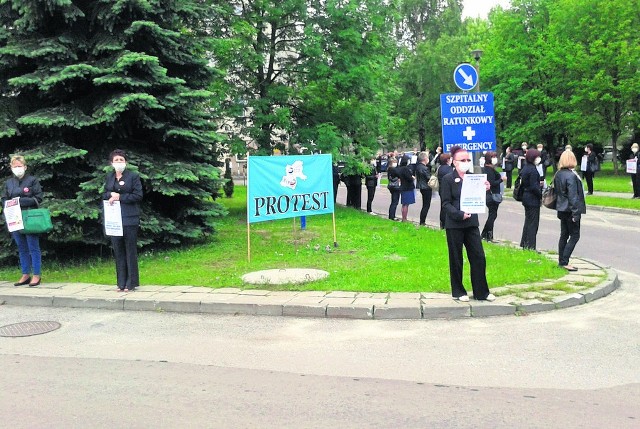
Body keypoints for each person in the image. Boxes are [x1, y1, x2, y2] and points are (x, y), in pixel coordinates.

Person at [440, 146, 495, 302]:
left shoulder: (474, 178)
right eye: (462, 160)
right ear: (454, 162)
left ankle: (481, 292)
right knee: (456, 258)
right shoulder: (448, 179)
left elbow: (481, 199)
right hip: (455, 224)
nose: (465, 163)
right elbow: (445, 204)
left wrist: (486, 189)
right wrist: (459, 214)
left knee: (478, 256)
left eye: (468, 160)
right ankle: (458, 291)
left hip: (471, 223)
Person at [103, 149, 143, 292]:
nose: (118, 163)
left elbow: (138, 196)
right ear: (111, 163)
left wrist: (120, 197)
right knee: (118, 251)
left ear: (125, 162)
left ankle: (131, 283)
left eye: (121, 160)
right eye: (116, 160)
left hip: (129, 219)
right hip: (114, 219)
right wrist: (110, 195)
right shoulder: (109, 177)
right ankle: (121, 283)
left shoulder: (133, 176)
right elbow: (104, 194)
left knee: (129, 250)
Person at [3, 155, 44, 287]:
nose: (17, 168)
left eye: (20, 166)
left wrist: (19, 201)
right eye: (15, 166)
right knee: (21, 247)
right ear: (11, 167)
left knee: (33, 247)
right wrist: (8, 203)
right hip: (14, 217)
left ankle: (36, 275)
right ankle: (25, 274)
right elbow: (4, 198)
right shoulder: (9, 182)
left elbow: (38, 198)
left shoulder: (32, 180)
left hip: (29, 216)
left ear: (25, 167)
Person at [554, 150, 586, 271]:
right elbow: (573, 196)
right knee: (575, 235)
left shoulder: (558, 174)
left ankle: (561, 260)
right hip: (570, 209)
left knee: (564, 235)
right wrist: (576, 213)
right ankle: (564, 261)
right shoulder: (571, 176)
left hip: (561, 208)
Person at [519, 149, 543, 250]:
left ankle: (525, 242)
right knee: (533, 223)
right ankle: (531, 246)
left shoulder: (525, 168)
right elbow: (533, 186)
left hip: (526, 196)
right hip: (532, 199)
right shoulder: (533, 170)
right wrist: (540, 194)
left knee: (528, 221)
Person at [481, 152, 505, 242]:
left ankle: (486, 234)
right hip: (491, 195)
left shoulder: (489, 168)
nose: (495, 158)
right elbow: (492, 183)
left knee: (492, 215)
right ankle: (487, 235)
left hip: (492, 194)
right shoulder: (489, 170)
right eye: (493, 157)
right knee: (492, 215)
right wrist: (501, 180)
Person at [414, 151, 432, 226]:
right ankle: (422, 221)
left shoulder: (418, 167)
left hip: (421, 187)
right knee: (426, 205)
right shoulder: (424, 168)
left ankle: (422, 221)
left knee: (425, 204)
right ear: (424, 159)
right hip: (426, 187)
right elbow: (428, 178)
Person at [397, 156, 415, 222]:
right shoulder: (405, 169)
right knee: (406, 204)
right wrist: (412, 178)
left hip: (403, 187)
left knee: (404, 204)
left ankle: (403, 217)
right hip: (407, 187)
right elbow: (409, 178)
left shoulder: (400, 169)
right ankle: (404, 218)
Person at [437, 154, 453, 229]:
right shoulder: (449, 169)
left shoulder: (440, 168)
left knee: (442, 205)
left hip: (441, 188)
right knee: (447, 205)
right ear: (447, 160)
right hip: (447, 189)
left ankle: (442, 223)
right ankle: (446, 222)